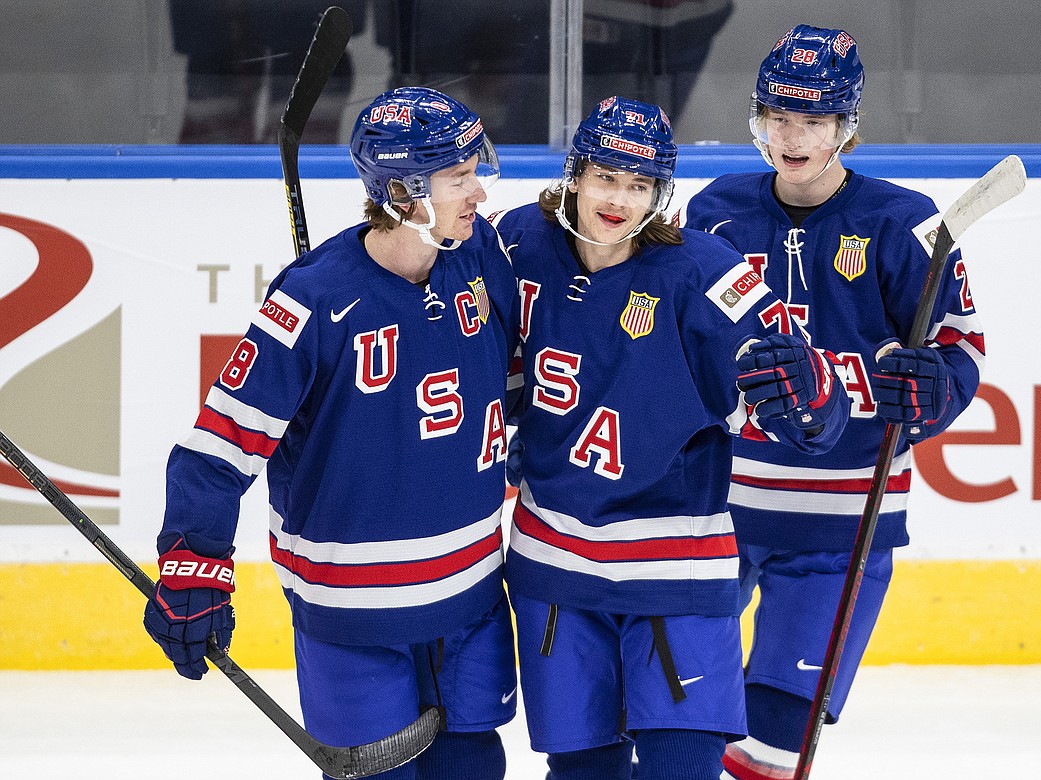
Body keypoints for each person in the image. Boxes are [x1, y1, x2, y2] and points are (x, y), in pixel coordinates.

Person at [142, 86, 520, 780]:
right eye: (459, 178)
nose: (478, 192)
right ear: (405, 192)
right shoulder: (311, 299)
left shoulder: (478, 252)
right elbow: (219, 449)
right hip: (353, 613)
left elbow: (522, 369)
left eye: (476, 171)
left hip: (470, 597)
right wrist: (195, 565)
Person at [492, 95, 849, 780]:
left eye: (639, 184)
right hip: (553, 565)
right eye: (605, 177)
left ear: (661, 193)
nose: (619, 199)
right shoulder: (518, 243)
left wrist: (809, 395)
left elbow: (814, 415)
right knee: (582, 772)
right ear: (575, 175)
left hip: (676, 570)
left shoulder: (706, 271)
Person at [682, 25, 986, 778]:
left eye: (813, 121)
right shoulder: (715, 211)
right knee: (676, 723)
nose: (791, 137)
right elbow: (688, 346)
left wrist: (936, 389)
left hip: (845, 524)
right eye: (778, 117)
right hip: (718, 507)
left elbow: (961, 345)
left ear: (846, 127)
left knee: (770, 747)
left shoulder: (902, 223)